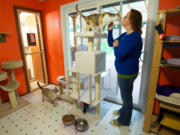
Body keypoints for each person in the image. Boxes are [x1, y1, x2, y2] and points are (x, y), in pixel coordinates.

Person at [108, 9, 143, 126]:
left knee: (126, 97)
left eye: (126, 17)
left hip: (127, 73)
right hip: (123, 71)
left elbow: (119, 55)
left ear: (132, 20)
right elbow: (111, 43)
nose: (123, 18)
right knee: (125, 95)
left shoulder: (134, 37)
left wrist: (116, 47)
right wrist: (110, 30)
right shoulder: (125, 35)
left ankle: (124, 121)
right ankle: (123, 111)